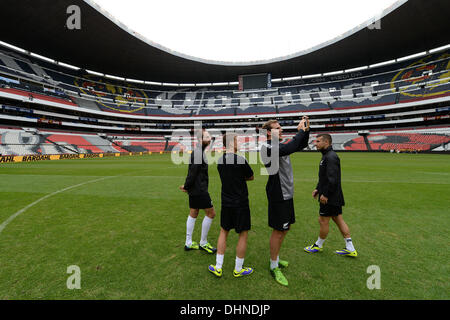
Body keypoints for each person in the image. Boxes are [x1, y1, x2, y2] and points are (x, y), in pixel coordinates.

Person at [260, 117, 310, 286]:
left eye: (281, 127)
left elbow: (300, 145)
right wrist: (300, 132)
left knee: (285, 228)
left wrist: (306, 131)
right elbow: (291, 145)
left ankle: (276, 258)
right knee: (278, 230)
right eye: (277, 128)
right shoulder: (267, 147)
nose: (281, 130)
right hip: (278, 194)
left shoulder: (279, 146)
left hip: (287, 193)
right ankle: (274, 266)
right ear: (268, 132)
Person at [208, 133, 255, 278]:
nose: (239, 143)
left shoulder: (220, 160)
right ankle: (238, 268)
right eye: (236, 140)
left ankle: (218, 266)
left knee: (224, 231)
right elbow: (251, 176)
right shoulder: (240, 159)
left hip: (226, 201)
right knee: (243, 233)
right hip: (240, 202)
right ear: (230, 143)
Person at [304, 134, 357, 257]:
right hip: (334, 195)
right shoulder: (327, 156)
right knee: (338, 219)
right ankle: (350, 247)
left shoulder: (330, 157)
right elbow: (324, 177)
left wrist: (325, 194)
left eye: (318, 141)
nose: (315, 143)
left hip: (330, 196)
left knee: (323, 220)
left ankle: (318, 245)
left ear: (326, 142)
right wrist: (318, 188)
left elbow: (332, 179)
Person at [180, 129, 217, 254]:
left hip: (196, 189)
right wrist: (186, 185)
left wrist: (187, 186)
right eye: (207, 136)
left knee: (194, 212)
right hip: (199, 190)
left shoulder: (199, 152)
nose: (210, 138)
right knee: (211, 213)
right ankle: (203, 242)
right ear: (201, 140)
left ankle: (189, 243)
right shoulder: (198, 153)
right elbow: (192, 172)